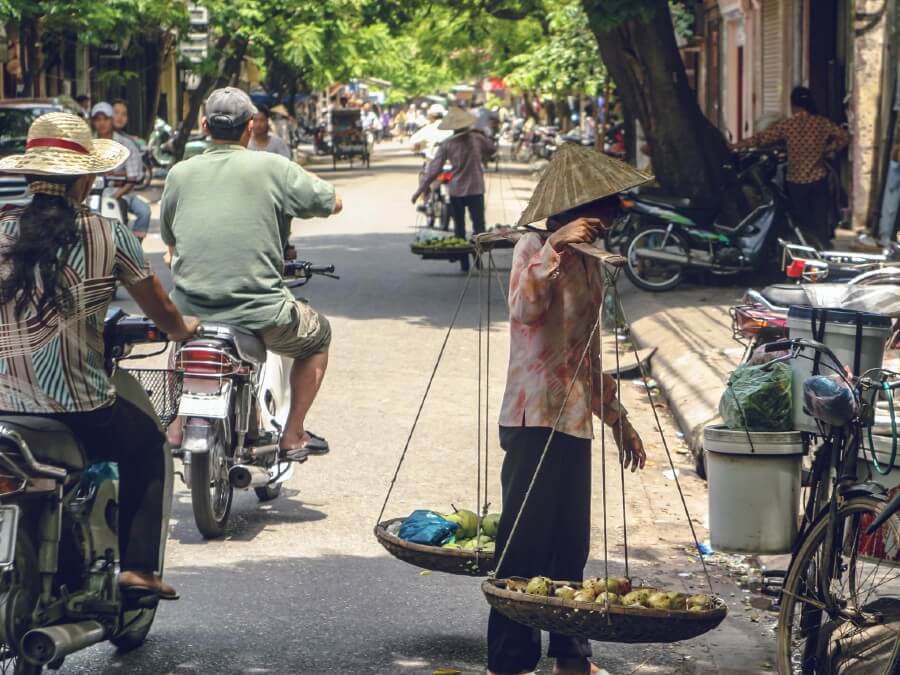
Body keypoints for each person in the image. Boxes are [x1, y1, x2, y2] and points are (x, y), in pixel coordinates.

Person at [0, 112, 198, 599]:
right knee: (150, 443)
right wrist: (182, 330)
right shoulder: (108, 234)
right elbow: (160, 306)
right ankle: (137, 570)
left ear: (29, 173)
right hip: (79, 410)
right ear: (86, 177)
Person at [488, 143, 650, 675]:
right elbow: (524, 310)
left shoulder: (592, 265)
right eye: (602, 211)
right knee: (522, 547)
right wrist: (553, 246)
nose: (608, 221)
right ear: (576, 210)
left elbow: (587, 354)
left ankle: (569, 654)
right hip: (533, 420)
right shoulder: (532, 248)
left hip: (574, 419)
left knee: (569, 547)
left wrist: (619, 419)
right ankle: (509, 660)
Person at [161, 87, 342, 458]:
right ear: (249, 129)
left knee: (183, 339)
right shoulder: (274, 167)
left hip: (192, 312)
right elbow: (333, 202)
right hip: (261, 314)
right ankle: (293, 434)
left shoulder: (179, 174)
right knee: (318, 336)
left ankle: (177, 426)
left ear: (204, 125)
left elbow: (169, 241)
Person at [733, 85, 849, 247]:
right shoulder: (821, 123)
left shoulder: (788, 125)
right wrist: (828, 150)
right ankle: (823, 254)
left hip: (795, 182)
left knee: (801, 223)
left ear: (793, 105)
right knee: (820, 222)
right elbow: (843, 136)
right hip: (818, 179)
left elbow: (761, 138)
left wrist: (736, 146)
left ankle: (805, 253)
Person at [411, 107, 495, 266]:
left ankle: (464, 261)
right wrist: (483, 135)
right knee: (478, 226)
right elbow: (492, 149)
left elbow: (433, 169)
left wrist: (420, 190)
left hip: (456, 190)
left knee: (460, 227)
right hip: (475, 189)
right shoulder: (476, 139)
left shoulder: (447, 144)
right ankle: (477, 259)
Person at [91, 102, 151, 241]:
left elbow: (132, 178)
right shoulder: (88, 145)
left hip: (120, 194)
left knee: (144, 212)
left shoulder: (126, 144)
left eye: (105, 119)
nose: (102, 123)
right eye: (97, 119)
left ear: (111, 120)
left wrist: (115, 196)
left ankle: (134, 248)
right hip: (92, 196)